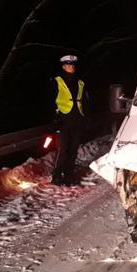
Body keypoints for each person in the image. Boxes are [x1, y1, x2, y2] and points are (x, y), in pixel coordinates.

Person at [49, 54, 89, 186]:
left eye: (72, 65)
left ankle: (69, 176)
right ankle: (56, 176)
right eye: (67, 65)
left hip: (77, 120)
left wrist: (86, 117)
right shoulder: (56, 81)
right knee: (62, 150)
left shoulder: (81, 82)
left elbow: (85, 101)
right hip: (63, 121)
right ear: (63, 67)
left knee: (73, 150)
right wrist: (54, 119)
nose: (70, 67)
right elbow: (49, 102)